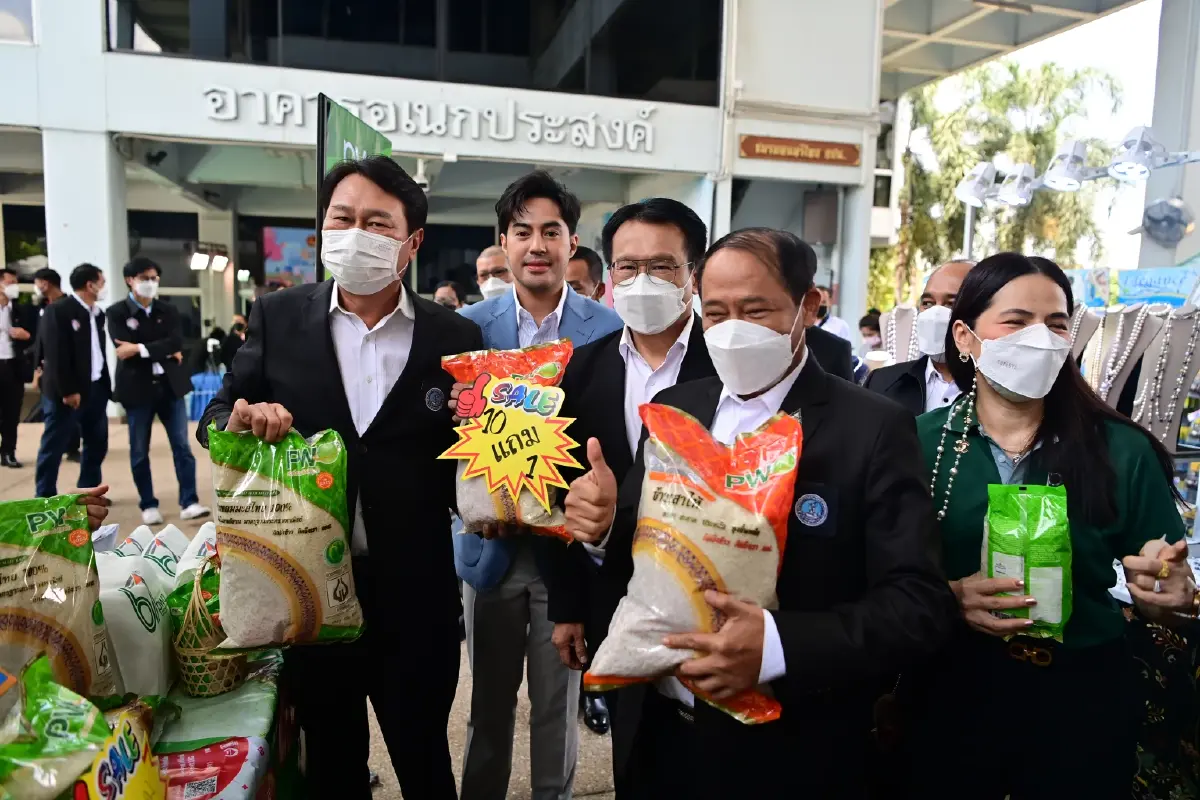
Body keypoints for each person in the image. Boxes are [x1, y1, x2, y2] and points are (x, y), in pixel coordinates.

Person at [563, 227, 958, 798]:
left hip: (789, 748)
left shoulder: (869, 428)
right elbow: (638, 550)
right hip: (657, 734)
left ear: (809, 306)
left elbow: (917, 605)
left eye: (757, 310)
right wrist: (601, 527)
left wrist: (777, 646)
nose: (733, 331)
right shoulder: (678, 409)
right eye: (716, 312)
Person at [197, 155, 482, 800]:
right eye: (342, 218)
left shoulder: (454, 336)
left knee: (423, 758)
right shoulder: (277, 317)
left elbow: (480, 448)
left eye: (377, 223)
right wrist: (242, 419)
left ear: (410, 244)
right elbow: (217, 413)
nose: (355, 233)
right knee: (332, 762)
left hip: (417, 592)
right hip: (309, 593)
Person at [903, 253, 1195, 799]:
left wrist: (1169, 593)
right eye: (1016, 322)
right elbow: (876, 578)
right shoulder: (915, 442)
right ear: (966, 337)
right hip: (951, 686)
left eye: (1056, 324)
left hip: (1082, 694)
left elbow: (1164, 581)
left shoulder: (1120, 450)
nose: (1039, 338)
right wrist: (947, 597)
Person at [454, 170, 622, 800]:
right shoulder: (467, 329)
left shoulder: (608, 330)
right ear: (503, 241)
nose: (536, 245)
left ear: (571, 243)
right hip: (489, 547)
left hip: (571, 555)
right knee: (488, 707)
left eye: (551, 231)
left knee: (558, 707)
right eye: (522, 231)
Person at [546, 197, 716, 759]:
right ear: (609, 276)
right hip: (611, 598)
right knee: (636, 756)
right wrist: (567, 606)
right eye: (627, 267)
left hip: (710, 602)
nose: (642, 281)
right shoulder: (582, 367)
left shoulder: (728, 367)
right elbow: (560, 489)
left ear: (694, 273)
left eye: (662, 266)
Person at [106, 257, 209, 526]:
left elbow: (177, 341)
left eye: (154, 278)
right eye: (144, 278)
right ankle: (148, 503)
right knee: (139, 450)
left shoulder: (168, 310)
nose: (150, 283)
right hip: (136, 390)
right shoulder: (117, 312)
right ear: (130, 280)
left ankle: (189, 501)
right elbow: (122, 348)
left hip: (169, 388)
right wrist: (162, 349)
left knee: (182, 447)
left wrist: (138, 348)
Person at [35, 263, 111, 498]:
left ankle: (87, 493)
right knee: (55, 445)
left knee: (96, 444)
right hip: (67, 393)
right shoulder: (59, 310)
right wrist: (68, 391)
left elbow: (97, 351)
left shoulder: (97, 313)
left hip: (96, 387)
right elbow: (56, 354)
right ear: (90, 285)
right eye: (102, 281)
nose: (104, 286)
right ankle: (44, 496)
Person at [864, 260, 973, 416]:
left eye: (951, 304)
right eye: (928, 303)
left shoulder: (995, 392)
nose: (936, 313)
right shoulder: (882, 383)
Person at [0, 269, 35, 467]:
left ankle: (8, 452)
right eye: (10, 281)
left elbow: (36, 337)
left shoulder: (23, 310)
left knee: (12, 412)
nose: (14, 285)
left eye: (15, 281)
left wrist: (26, 336)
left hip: (14, 366)